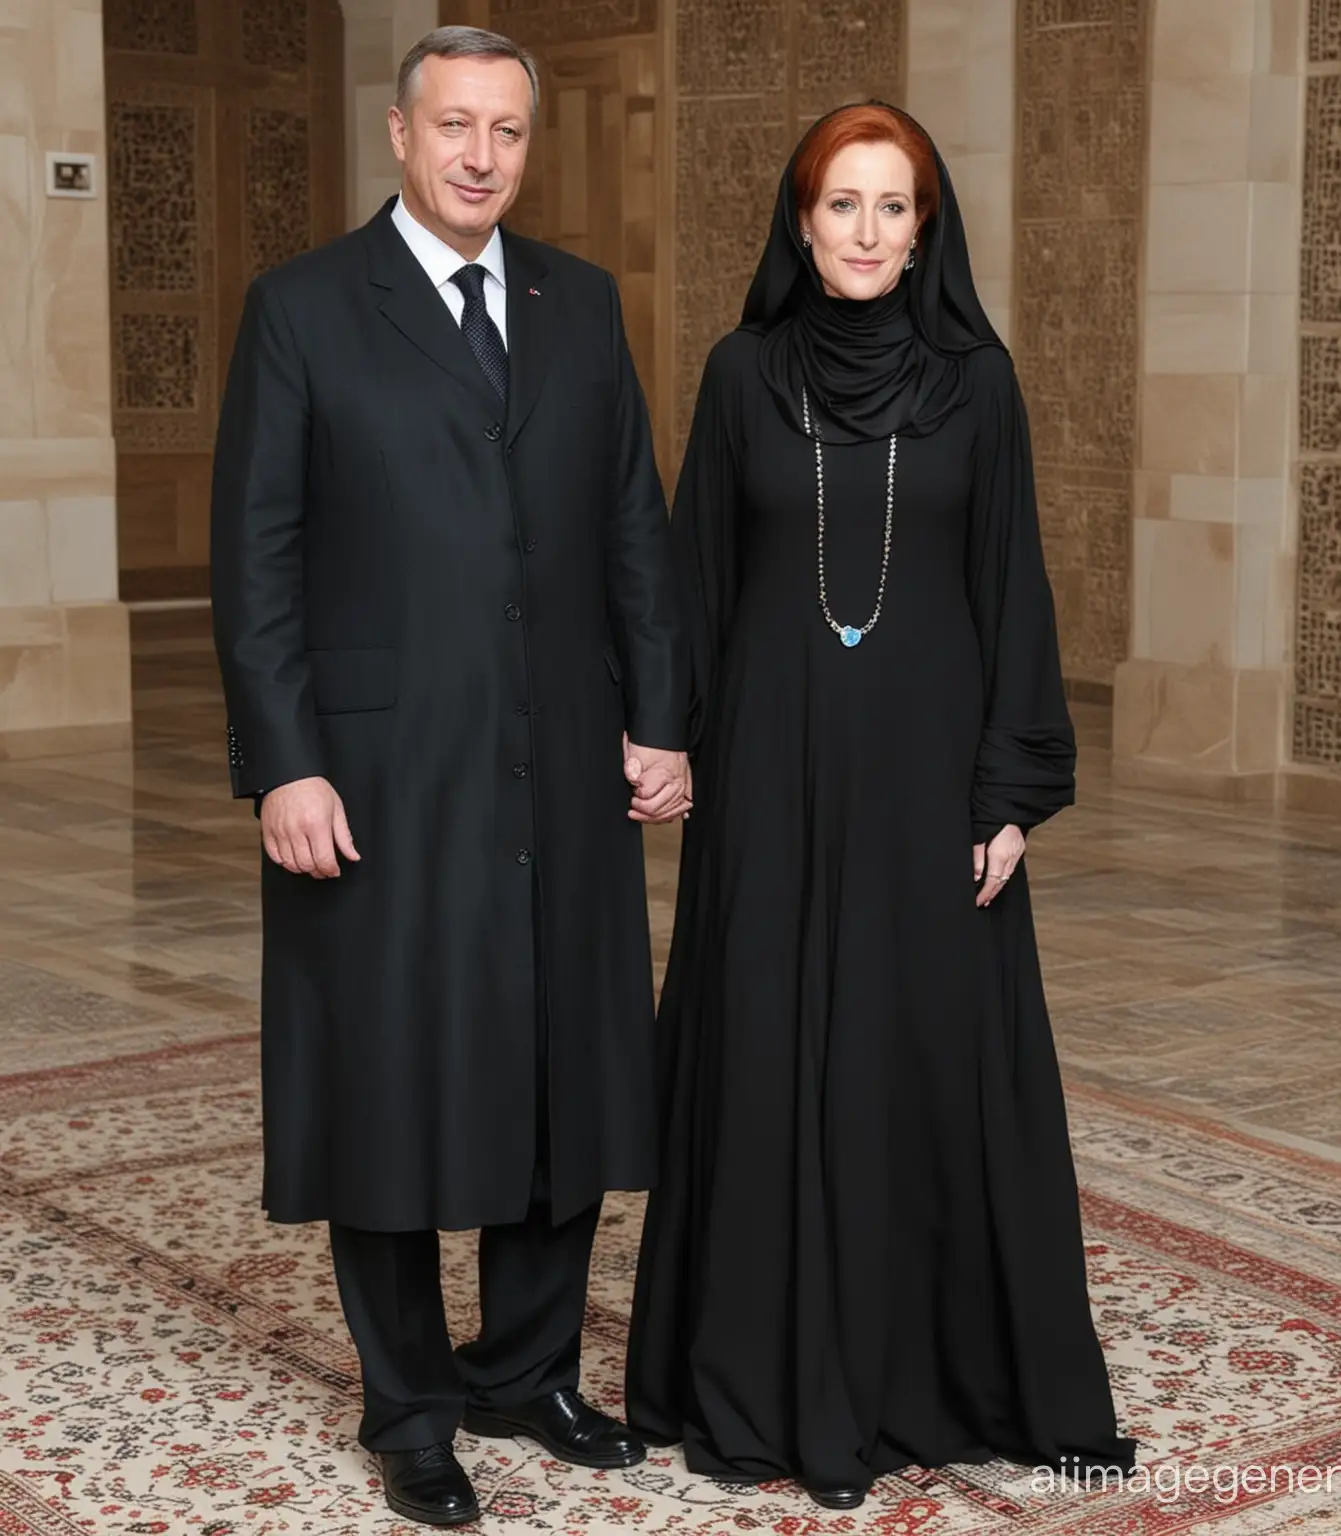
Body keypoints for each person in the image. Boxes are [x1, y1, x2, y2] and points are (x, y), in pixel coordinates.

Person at [209, 26, 690, 1527]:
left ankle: (531, 1370)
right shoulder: (299, 310)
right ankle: (411, 1408)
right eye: (456, 126)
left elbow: (634, 535)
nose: (483, 154)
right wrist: (284, 764)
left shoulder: (582, 302)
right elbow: (256, 562)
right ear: (402, 140)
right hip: (377, 778)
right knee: (391, 1086)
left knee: (562, 1064)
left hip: (562, 767)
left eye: (509, 131)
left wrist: (662, 719)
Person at [624, 103, 1136, 1509]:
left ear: (927, 229)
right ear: (800, 224)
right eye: (839, 205)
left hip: (931, 787)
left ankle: (924, 1377)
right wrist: (664, 743)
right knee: (775, 1058)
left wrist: (1013, 788)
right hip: (771, 780)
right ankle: (766, 1384)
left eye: (890, 207)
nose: (863, 231)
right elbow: (691, 583)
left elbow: (1012, 595)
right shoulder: (741, 377)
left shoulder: (981, 384)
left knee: (918, 1065)